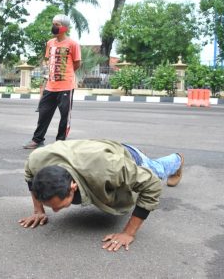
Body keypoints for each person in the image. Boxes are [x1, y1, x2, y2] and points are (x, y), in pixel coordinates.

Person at [19, 139, 184, 252]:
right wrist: (38, 211)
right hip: (90, 151)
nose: (55, 212)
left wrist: (128, 233)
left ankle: (177, 160)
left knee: (157, 171)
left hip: (127, 157)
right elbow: (29, 177)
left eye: (59, 206)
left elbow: (151, 185)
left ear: (73, 187)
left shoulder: (109, 169)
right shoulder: (36, 160)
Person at [23, 14, 81, 149]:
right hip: (50, 86)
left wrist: (67, 74)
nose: (54, 27)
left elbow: (77, 63)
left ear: (65, 28)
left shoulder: (73, 44)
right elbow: (48, 60)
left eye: (57, 25)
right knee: (44, 113)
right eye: (53, 24)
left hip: (66, 86)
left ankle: (60, 142)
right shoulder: (50, 43)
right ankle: (37, 140)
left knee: (64, 116)